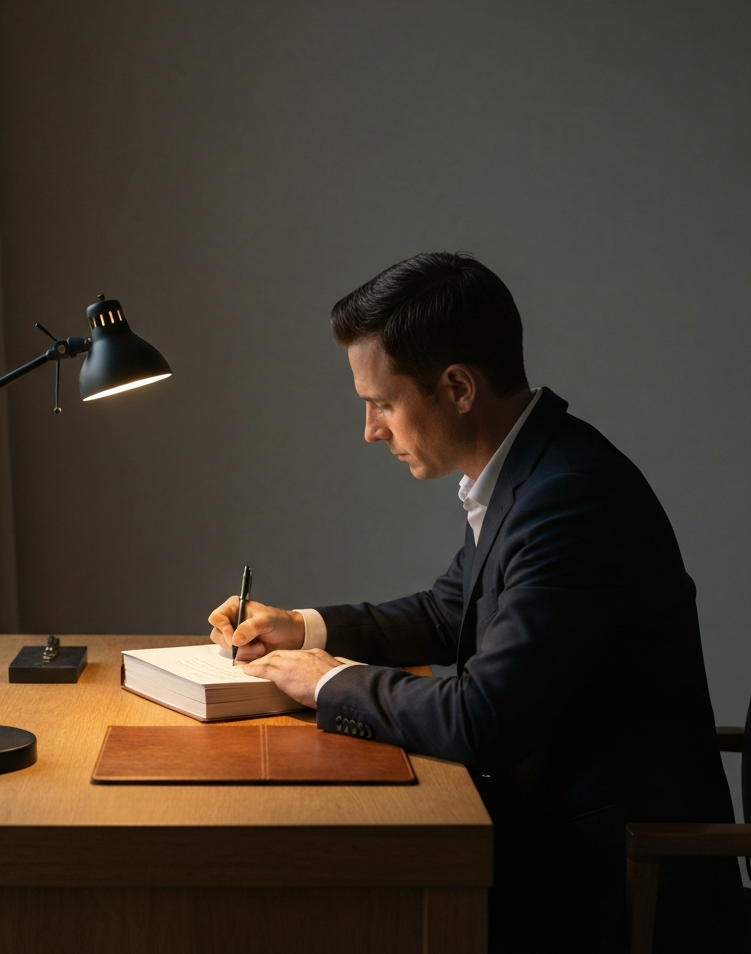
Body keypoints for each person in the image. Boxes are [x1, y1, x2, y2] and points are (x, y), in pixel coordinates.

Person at [208, 252, 743, 954]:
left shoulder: (568, 499)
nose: (372, 430)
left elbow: (483, 719)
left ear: (458, 387)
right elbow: (445, 612)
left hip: (608, 884)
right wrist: (299, 627)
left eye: (382, 403)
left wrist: (328, 680)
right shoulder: (532, 472)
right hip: (553, 841)